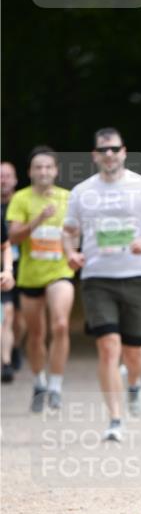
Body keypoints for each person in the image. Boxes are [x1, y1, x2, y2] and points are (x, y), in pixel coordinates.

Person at [62, 127, 141, 442]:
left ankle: (134, 383)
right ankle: (115, 420)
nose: (109, 154)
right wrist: (71, 253)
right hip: (97, 278)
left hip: (136, 276)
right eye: (103, 150)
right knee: (108, 347)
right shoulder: (81, 192)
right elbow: (68, 230)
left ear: (124, 152)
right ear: (95, 155)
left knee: (134, 351)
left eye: (114, 149)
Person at [7, 147, 74, 411]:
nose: (43, 171)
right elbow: (13, 238)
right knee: (36, 334)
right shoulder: (21, 199)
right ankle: (39, 381)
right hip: (30, 274)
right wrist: (38, 220)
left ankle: (56, 385)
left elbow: (77, 231)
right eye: (38, 167)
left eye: (48, 167)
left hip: (60, 272)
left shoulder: (69, 198)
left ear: (56, 170)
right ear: (30, 172)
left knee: (60, 325)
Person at [1, 160, 19, 382]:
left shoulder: (22, 202)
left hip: (18, 268)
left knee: (10, 317)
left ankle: (6, 360)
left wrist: (7, 269)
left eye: (7, 175)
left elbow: (5, 245)